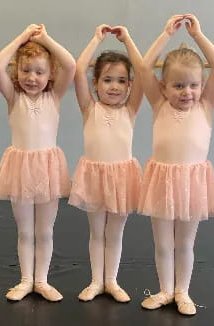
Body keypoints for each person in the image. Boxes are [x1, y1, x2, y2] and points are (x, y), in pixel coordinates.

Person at [139, 14, 214, 315]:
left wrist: (198, 35)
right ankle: (165, 290)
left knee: (185, 242)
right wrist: (165, 34)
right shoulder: (159, 103)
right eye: (178, 85)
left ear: (202, 86)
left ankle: (182, 291)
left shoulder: (205, 106)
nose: (186, 92)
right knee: (163, 242)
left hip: (192, 182)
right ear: (163, 87)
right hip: (161, 180)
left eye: (193, 85)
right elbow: (143, 67)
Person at [0, 24, 75, 301]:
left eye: (40, 72)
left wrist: (46, 39)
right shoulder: (13, 97)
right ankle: (26, 279)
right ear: (17, 71)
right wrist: (21, 39)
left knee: (45, 229)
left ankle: (42, 280)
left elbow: (71, 64)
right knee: (25, 229)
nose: (32, 77)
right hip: (21, 169)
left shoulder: (54, 96)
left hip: (48, 168)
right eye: (26, 70)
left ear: (50, 74)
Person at [69, 25, 143, 303]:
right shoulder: (89, 107)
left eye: (122, 81)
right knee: (96, 232)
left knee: (115, 233)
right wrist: (96, 39)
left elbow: (144, 71)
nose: (114, 86)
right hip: (94, 176)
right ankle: (96, 281)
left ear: (129, 85)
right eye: (108, 80)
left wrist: (128, 39)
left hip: (122, 176)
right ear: (96, 83)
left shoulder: (130, 109)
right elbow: (78, 70)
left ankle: (111, 280)